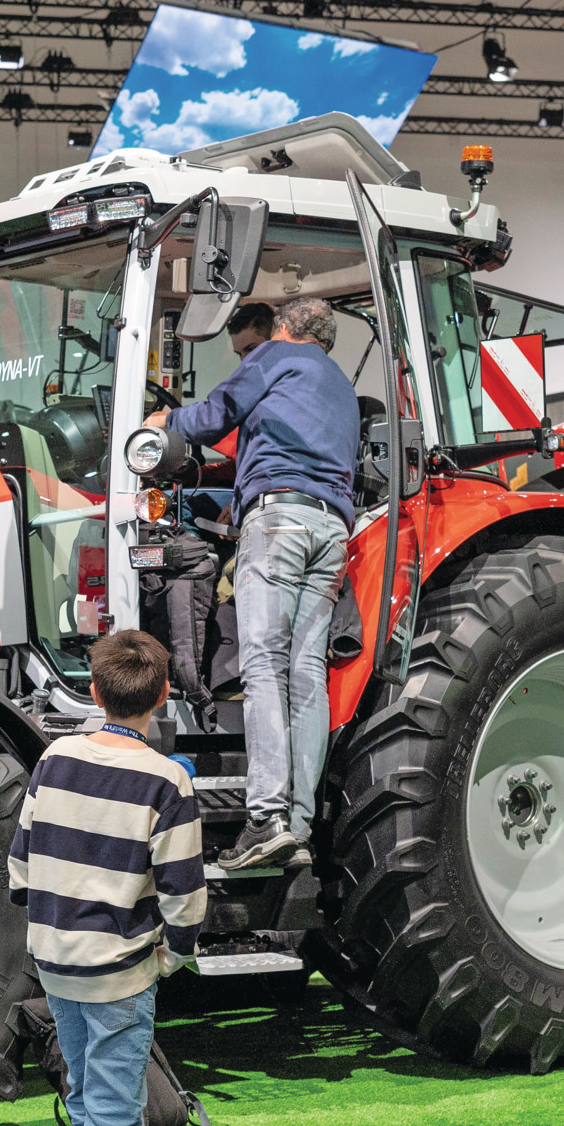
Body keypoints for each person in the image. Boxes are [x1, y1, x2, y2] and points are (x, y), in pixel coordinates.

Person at [8, 629, 207, 1126]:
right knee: (118, 1098)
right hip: (119, 970)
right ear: (164, 695)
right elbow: (185, 898)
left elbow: (20, 864)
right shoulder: (168, 780)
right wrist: (170, 957)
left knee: (89, 1090)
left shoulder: (54, 758)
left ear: (92, 690)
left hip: (55, 959)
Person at [146, 296, 359, 871]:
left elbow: (215, 414)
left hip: (280, 519)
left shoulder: (276, 356)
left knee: (263, 664)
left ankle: (264, 818)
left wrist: (163, 422)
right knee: (306, 672)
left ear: (284, 328)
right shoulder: (339, 384)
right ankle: (299, 823)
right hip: (331, 529)